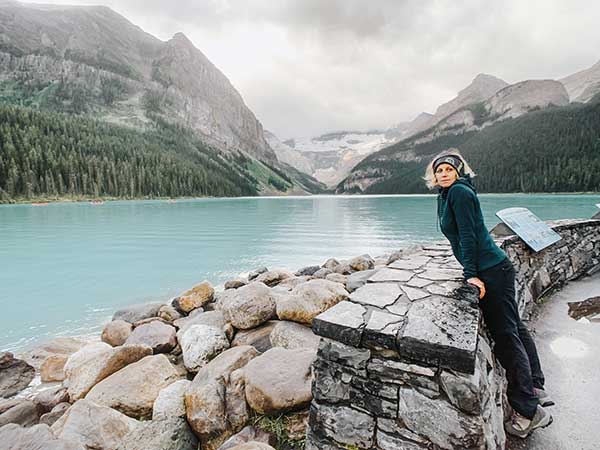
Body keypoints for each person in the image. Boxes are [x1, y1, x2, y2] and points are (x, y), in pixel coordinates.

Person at [424, 149, 553, 439]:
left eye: (448, 169)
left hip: (492, 270)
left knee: (506, 336)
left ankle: (530, 410)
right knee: (514, 328)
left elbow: (468, 235)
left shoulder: (459, 193)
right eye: (439, 170)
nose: (443, 174)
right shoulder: (446, 194)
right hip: (494, 268)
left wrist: (471, 273)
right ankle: (536, 385)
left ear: (458, 171)